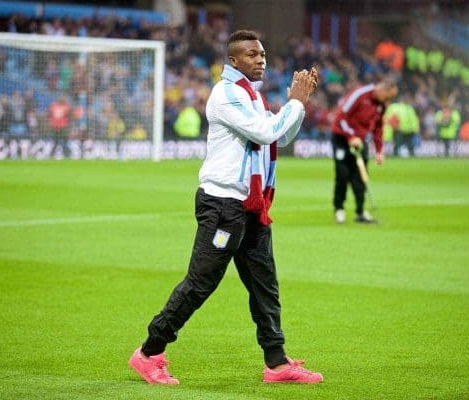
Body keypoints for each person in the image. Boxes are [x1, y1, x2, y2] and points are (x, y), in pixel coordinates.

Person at [129, 30, 323, 385]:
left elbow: (278, 136)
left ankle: (277, 364)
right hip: (222, 204)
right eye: (251, 54)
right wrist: (294, 102)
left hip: (251, 205)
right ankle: (148, 353)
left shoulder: (252, 97)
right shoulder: (226, 94)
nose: (260, 59)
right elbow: (266, 133)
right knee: (201, 283)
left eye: (262, 53)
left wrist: (299, 104)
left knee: (265, 284)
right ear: (233, 61)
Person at [330, 77, 398, 224]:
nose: (388, 100)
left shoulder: (382, 104)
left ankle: (360, 212)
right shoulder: (360, 94)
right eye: (388, 97)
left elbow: (378, 128)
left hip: (360, 141)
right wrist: (351, 136)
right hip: (342, 138)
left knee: (361, 175)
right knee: (342, 175)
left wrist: (379, 150)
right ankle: (339, 209)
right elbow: (341, 116)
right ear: (382, 89)